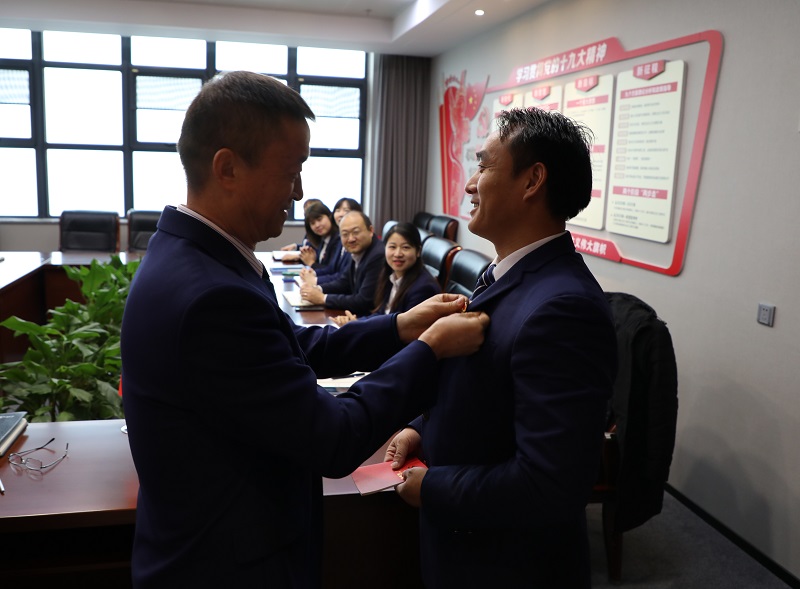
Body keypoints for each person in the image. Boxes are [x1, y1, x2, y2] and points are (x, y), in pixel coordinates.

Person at [120, 71, 489, 589]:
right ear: (227, 168)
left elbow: (290, 347)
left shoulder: (196, 258)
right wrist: (429, 351)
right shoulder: (209, 296)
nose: (298, 193)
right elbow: (333, 439)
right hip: (229, 565)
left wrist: (400, 328)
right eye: (292, 171)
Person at [385, 107, 618, 588]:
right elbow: (487, 393)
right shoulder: (505, 276)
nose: (470, 185)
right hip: (465, 542)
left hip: (507, 563)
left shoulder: (563, 308)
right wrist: (419, 430)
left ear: (532, 181)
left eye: (484, 166)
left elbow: (551, 483)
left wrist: (434, 487)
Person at [333, 221, 440, 326]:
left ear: (418, 251)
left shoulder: (423, 288)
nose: (397, 254)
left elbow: (404, 330)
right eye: (392, 247)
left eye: (405, 247)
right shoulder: (390, 275)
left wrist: (359, 327)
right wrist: (356, 322)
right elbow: (382, 314)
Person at [298, 210, 384, 316]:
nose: (351, 239)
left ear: (370, 230)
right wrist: (317, 289)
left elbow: (364, 301)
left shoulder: (377, 256)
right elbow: (344, 282)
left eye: (356, 232)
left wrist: (323, 298)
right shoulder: (357, 250)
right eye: (345, 234)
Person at [305, 197, 362, 286]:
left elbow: (341, 277)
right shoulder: (330, 239)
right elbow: (333, 269)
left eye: (346, 210)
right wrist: (312, 273)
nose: (341, 214)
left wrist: (315, 279)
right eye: (338, 211)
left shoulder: (345, 241)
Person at [281, 202, 340, 268]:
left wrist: (312, 264)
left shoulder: (338, 240)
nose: (317, 225)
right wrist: (302, 257)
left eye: (319, 219)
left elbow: (331, 270)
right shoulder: (323, 239)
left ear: (329, 216)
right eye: (312, 223)